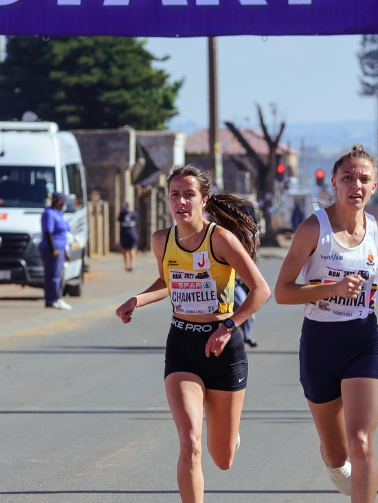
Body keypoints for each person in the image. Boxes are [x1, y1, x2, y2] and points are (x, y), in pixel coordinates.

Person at [115, 164, 270, 503]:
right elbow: (167, 281)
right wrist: (137, 299)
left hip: (224, 348)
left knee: (222, 458)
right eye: (175, 195)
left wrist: (229, 326)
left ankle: (227, 433)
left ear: (204, 200)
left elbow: (261, 290)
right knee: (190, 443)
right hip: (183, 345)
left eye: (189, 194)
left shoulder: (221, 239)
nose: (181, 201)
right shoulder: (162, 240)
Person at [274, 145, 378, 501]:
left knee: (361, 442)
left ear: (374, 186)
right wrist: (331, 289)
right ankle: (338, 468)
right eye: (348, 178)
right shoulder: (313, 229)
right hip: (318, 344)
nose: (356, 185)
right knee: (337, 454)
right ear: (334, 183)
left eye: (364, 179)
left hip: (362, 342)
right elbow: (282, 292)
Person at [40, 192, 72, 310]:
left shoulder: (58, 214)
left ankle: (56, 298)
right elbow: (48, 232)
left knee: (58, 275)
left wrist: (66, 251)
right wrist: (53, 249)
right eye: (61, 203)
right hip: (53, 249)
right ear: (57, 203)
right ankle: (52, 300)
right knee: (52, 276)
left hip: (61, 248)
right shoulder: (49, 213)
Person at [118, 201, 139, 271]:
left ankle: (126, 266)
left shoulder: (122, 214)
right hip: (132, 233)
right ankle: (132, 265)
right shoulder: (134, 213)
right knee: (132, 250)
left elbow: (119, 219)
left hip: (124, 234)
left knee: (125, 251)